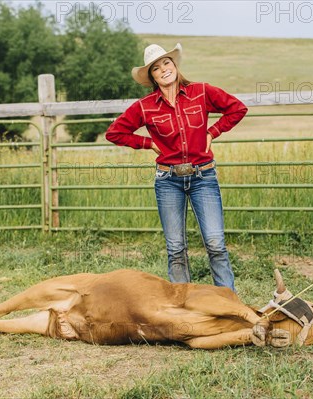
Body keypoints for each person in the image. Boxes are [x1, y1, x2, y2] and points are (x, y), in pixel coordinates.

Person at [105, 43, 247, 291]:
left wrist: (212, 132)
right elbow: (115, 132)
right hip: (168, 180)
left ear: (175, 65)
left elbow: (236, 108)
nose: (163, 70)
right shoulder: (145, 106)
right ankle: (182, 305)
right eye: (156, 68)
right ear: (152, 78)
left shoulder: (201, 92)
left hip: (203, 175)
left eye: (166, 63)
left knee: (215, 243)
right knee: (176, 248)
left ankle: (228, 301)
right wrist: (147, 143)